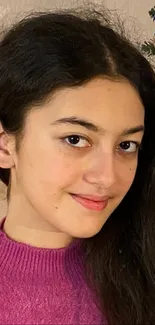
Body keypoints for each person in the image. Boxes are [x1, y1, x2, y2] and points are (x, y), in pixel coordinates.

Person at [0, 7, 155, 325]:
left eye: (126, 146)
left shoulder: (144, 269)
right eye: (75, 139)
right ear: (4, 144)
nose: (107, 177)